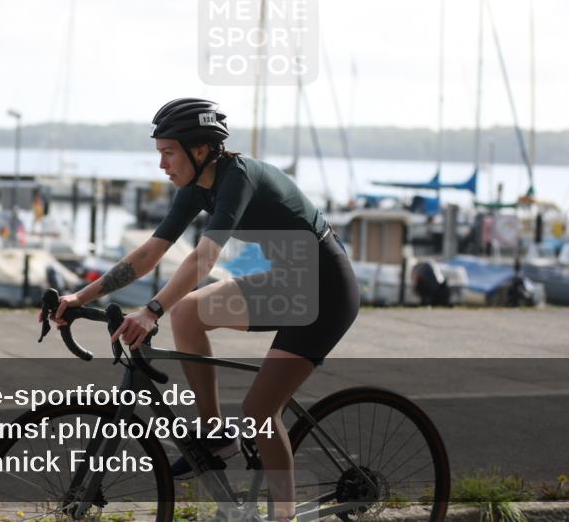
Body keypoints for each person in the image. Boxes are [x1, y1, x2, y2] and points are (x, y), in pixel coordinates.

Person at [44, 98, 360, 522]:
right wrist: (80, 298)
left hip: (327, 292)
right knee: (187, 313)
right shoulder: (196, 187)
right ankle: (215, 438)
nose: (162, 165)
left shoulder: (238, 178)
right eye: (159, 153)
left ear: (199, 150)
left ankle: (283, 516)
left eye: (168, 152)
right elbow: (150, 253)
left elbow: (203, 259)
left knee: (259, 412)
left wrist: (151, 309)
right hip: (288, 282)